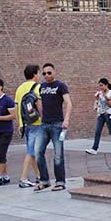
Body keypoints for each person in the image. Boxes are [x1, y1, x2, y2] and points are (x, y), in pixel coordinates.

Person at [35, 63, 71, 192]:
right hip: (44, 124)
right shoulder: (41, 87)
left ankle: (60, 181)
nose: (46, 75)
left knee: (58, 155)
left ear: (54, 72)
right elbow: (39, 102)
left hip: (57, 124)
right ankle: (44, 180)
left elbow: (68, 103)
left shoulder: (60, 86)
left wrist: (66, 120)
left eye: (49, 73)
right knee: (37, 152)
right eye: (44, 73)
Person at [14, 64, 41, 188]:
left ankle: (39, 176)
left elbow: (17, 107)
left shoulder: (19, 88)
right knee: (31, 151)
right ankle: (23, 178)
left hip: (25, 123)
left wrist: (19, 123)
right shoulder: (38, 87)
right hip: (37, 122)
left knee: (33, 151)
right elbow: (40, 106)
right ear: (35, 74)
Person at [85, 78, 111, 156]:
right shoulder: (100, 93)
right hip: (101, 114)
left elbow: (109, 105)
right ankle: (94, 149)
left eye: (102, 85)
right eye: (99, 85)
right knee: (97, 131)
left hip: (108, 114)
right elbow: (99, 103)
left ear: (106, 85)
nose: (100, 87)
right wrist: (97, 98)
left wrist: (105, 97)